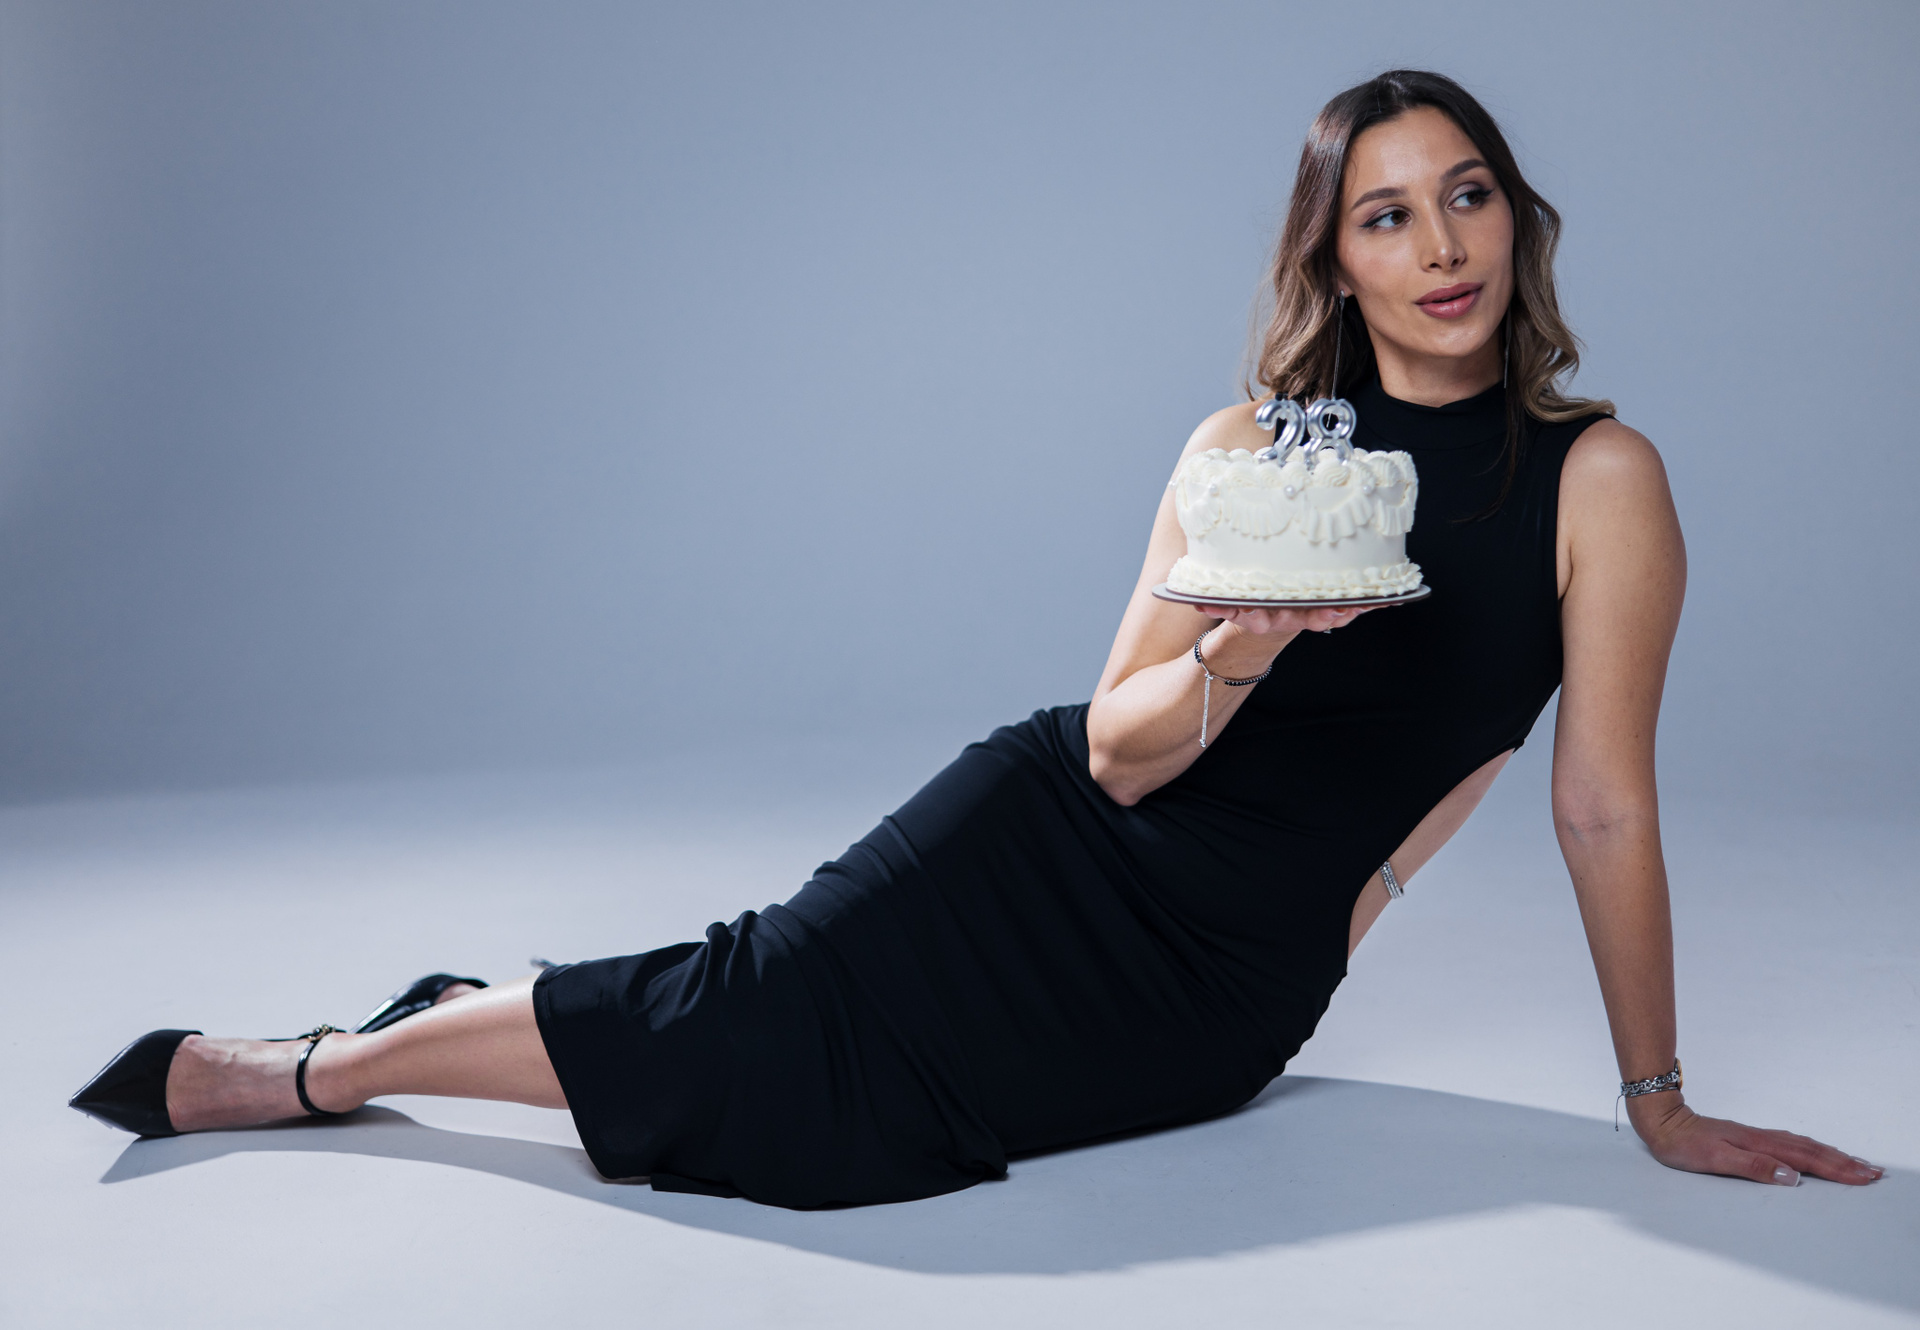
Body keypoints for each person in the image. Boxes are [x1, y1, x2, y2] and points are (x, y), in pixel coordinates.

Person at [71, 69, 1881, 1209]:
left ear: (1515, 214)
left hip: (1227, 988)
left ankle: (449, 1022)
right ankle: (321, 1067)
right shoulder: (1249, 454)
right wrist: (1252, 641)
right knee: (746, 1007)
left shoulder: (1599, 480)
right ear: (1336, 261)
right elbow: (1117, 751)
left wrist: (1657, 1102)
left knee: (843, 1140)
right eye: (1386, 215)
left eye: (1467, 193)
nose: (1440, 247)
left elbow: (1598, 803)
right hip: (1048, 844)